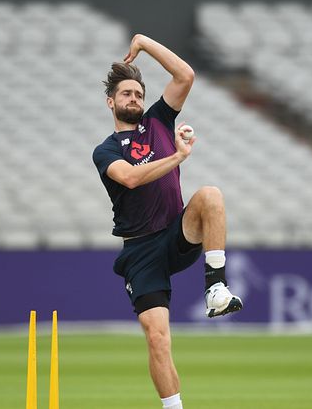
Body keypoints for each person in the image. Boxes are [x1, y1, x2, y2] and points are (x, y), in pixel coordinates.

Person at [92, 34, 242, 409]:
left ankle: (216, 288)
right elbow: (129, 177)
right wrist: (178, 157)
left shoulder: (158, 120)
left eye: (138, 94)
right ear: (111, 102)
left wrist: (143, 42)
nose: (134, 100)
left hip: (175, 234)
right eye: (126, 94)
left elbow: (186, 75)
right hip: (140, 250)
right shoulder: (105, 150)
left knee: (210, 195)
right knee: (157, 337)